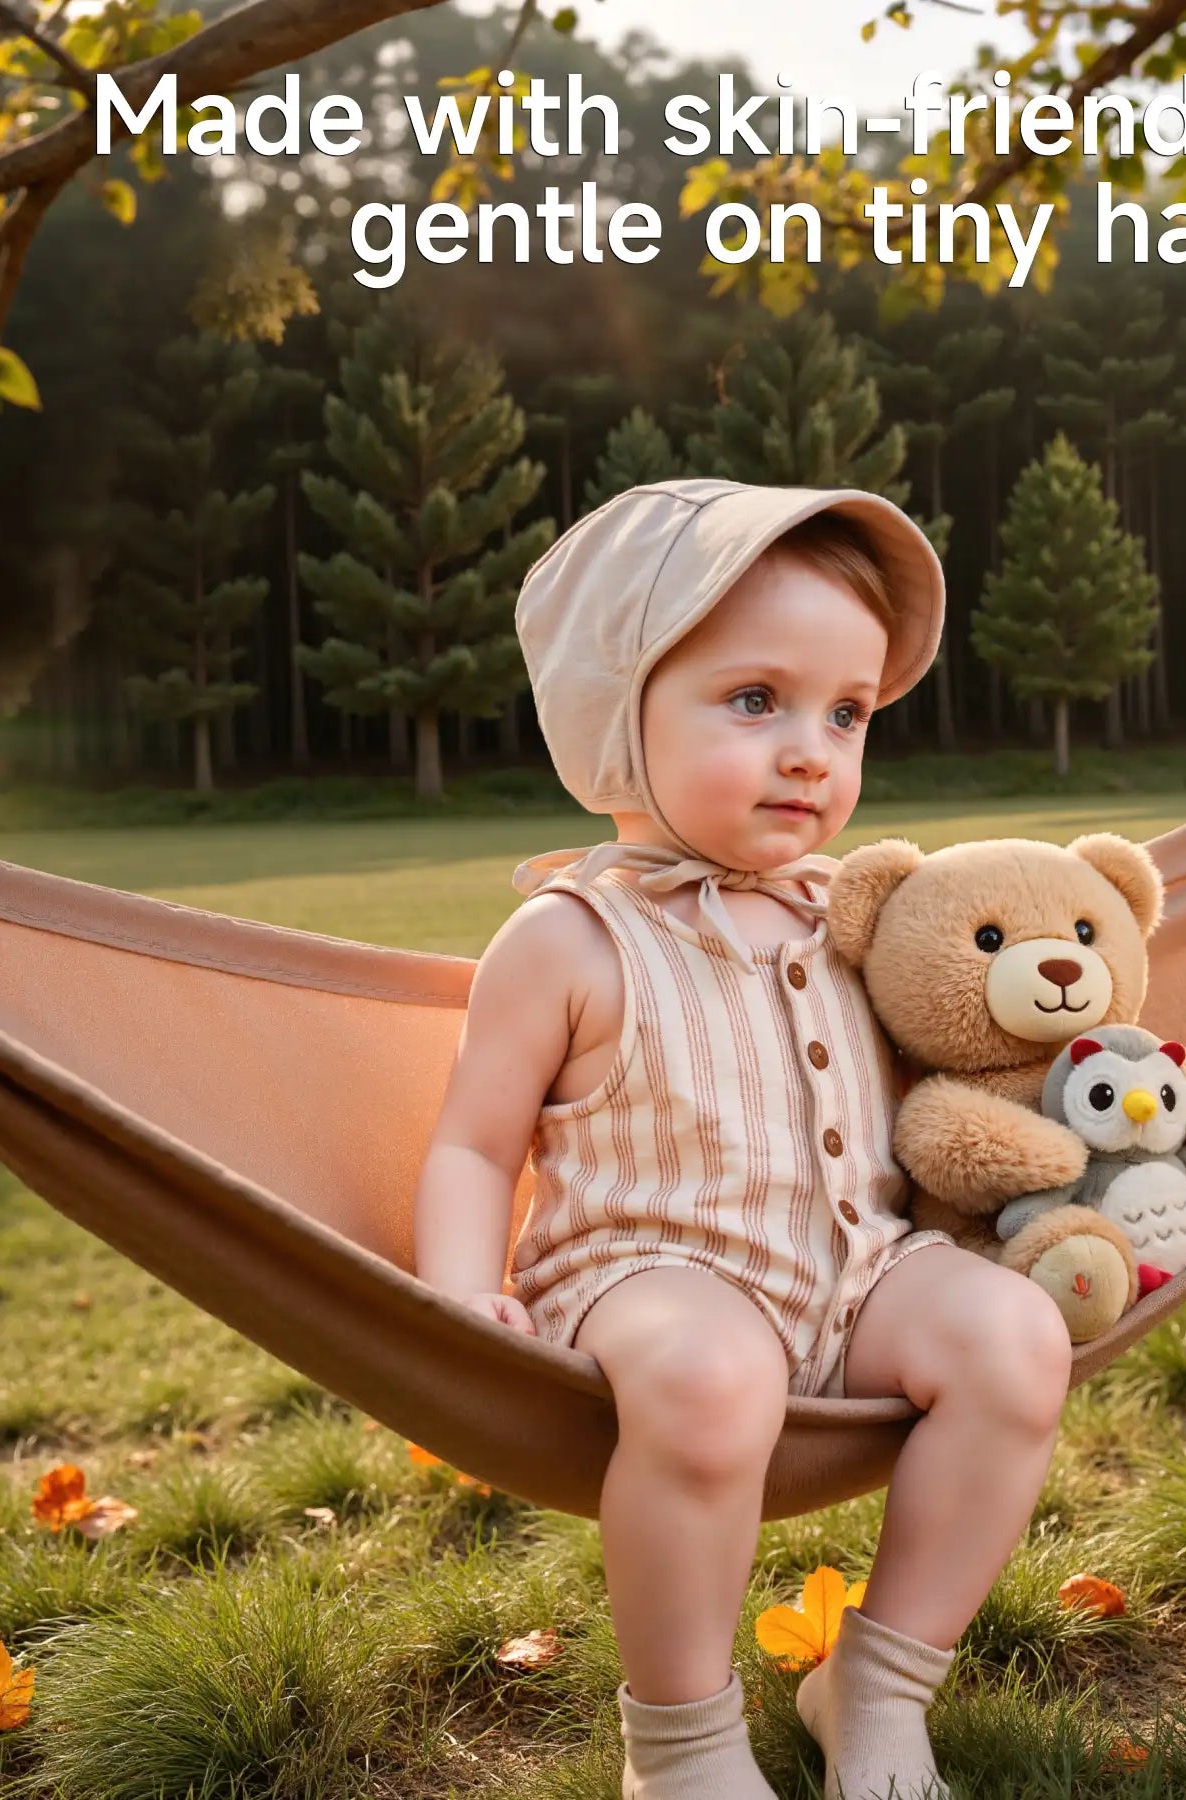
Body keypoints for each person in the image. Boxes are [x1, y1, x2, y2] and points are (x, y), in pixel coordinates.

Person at [412, 478, 1073, 1800]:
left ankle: (877, 1687)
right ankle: (682, 1745)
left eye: (846, 713)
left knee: (1019, 1340)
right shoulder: (571, 938)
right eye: (755, 701)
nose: (812, 752)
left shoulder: (863, 915)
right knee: (713, 1379)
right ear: (617, 712)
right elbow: (475, 1145)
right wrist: (448, 1292)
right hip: (650, 1282)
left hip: (859, 1272)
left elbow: (960, 1065)